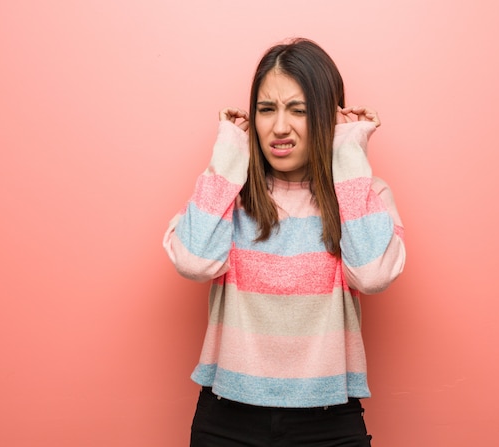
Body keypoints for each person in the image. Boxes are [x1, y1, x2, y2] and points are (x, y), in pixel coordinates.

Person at [163, 37, 405, 447]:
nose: (279, 127)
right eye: (266, 109)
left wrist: (347, 155)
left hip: (329, 423)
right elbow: (192, 260)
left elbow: (373, 274)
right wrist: (228, 154)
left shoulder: (365, 197)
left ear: (329, 116)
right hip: (226, 419)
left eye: (300, 111)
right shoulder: (228, 197)